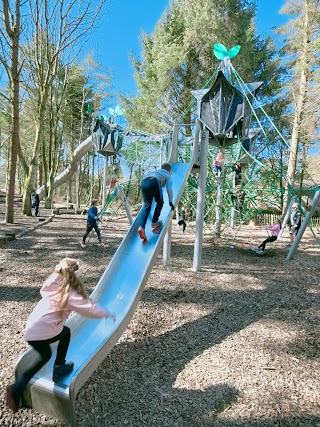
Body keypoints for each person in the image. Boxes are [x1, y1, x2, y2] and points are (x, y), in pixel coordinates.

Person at [6, 258, 115, 413]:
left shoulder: (52, 285)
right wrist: (106, 313)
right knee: (66, 333)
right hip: (43, 330)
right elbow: (87, 308)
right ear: (75, 276)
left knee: (44, 355)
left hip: (31, 330)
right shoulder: (68, 293)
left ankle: (18, 387)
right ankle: (59, 368)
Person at [137, 163, 174, 241]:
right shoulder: (167, 175)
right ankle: (154, 222)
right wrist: (170, 202)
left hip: (144, 182)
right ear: (169, 170)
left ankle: (141, 227)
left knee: (147, 205)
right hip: (154, 181)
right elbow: (169, 189)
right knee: (160, 202)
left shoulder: (156, 172)